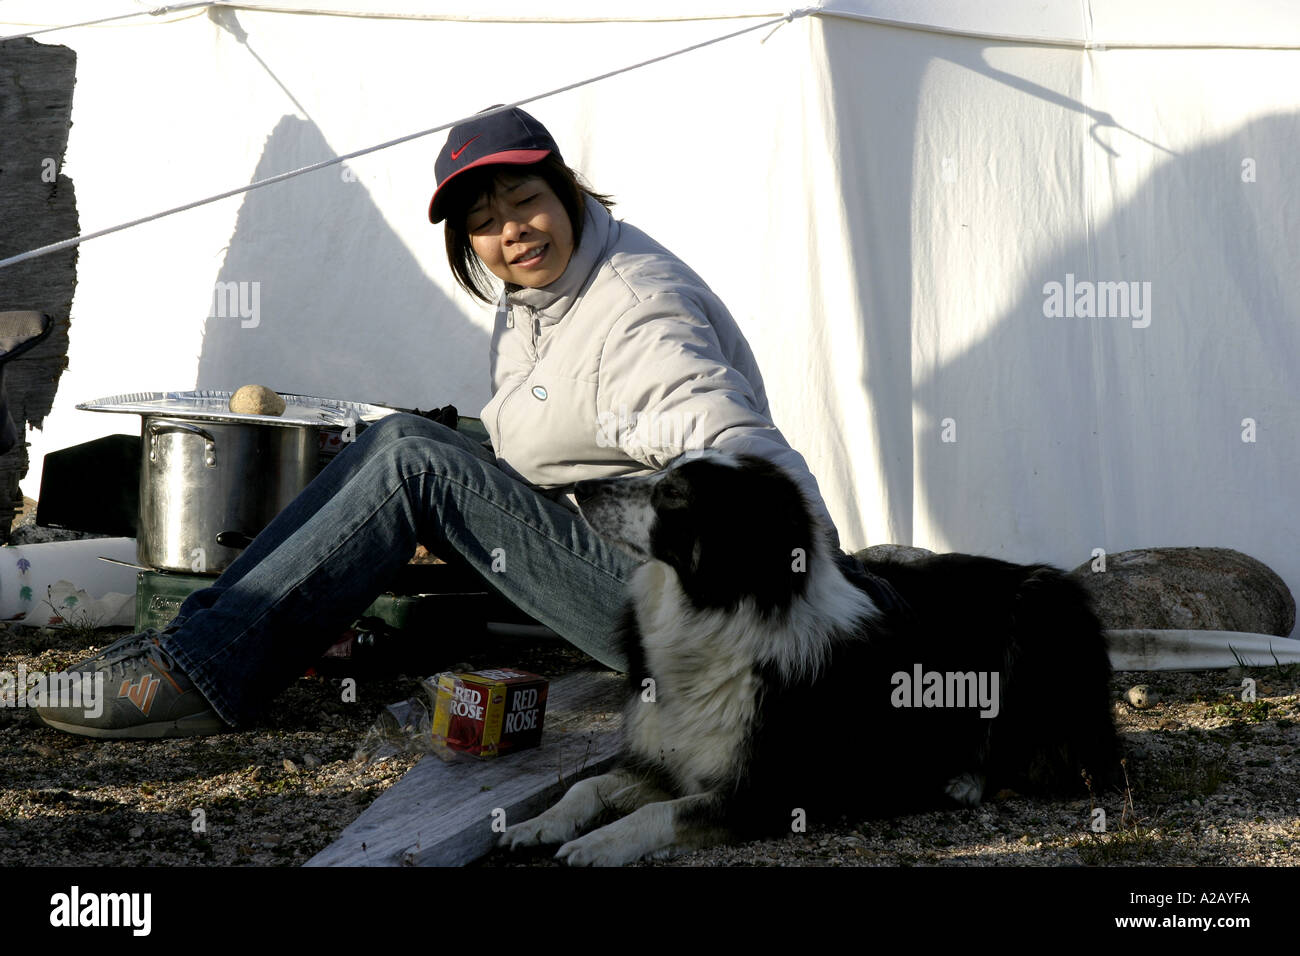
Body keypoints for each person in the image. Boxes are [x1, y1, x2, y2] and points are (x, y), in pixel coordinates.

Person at [36, 106, 843, 738]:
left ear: (564, 189)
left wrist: (804, 612)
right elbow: (548, 429)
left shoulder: (640, 315)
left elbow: (751, 458)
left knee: (412, 463)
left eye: (526, 200)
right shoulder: (540, 294)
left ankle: (198, 674)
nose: (511, 230)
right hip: (608, 556)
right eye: (484, 223)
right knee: (399, 443)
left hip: (676, 619)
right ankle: (203, 633)